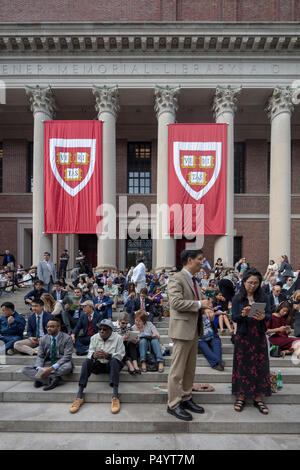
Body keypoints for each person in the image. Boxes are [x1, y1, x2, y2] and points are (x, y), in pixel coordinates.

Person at [167, 249, 213, 421]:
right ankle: (173, 404)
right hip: (181, 331)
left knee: (189, 370)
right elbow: (176, 303)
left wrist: (208, 309)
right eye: (200, 259)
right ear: (189, 260)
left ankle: (186, 398)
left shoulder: (194, 281)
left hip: (194, 330)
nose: (203, 262)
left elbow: (203, 302)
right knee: (177, 371)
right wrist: (201, 304)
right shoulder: (176, 278)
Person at [231, 268, 271, 415]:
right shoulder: (237, 298)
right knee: (242, 365)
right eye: (249, 283)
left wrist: (263, 317)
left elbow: (269, 314)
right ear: (244, 282)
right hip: (243, 335)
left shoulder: (264, 297)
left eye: (255, 283)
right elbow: (234, 317)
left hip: (258, 335)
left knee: (259, 365)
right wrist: (243, 314)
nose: (252, 286)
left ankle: (258, 397)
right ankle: (241, 396)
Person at [69, 319, 125, 415]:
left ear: (111, 330)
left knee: (115, 361)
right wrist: (94, 355)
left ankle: (115, 396)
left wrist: (108, 355)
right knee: (86, 362)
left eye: (105, 329)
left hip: (111, 365)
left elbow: (121, 355)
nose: (101, 331)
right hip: (98, 365)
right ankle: (79, 395)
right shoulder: (94, 337)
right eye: (100, 329)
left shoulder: (118, 338)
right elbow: (90, 352)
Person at [22, 318, 74, 391]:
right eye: (48, 327)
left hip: (61, 362)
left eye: (52, 327)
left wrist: (51, 368)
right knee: (25, 370)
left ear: (58, 328)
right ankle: (52, 379)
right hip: (47, 362)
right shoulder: (43, 338)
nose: (49, 328)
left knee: (67, 367)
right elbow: (40, 355)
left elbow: (67, 356)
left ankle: (40, 379)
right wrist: (39, 368)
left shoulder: (67, 338)